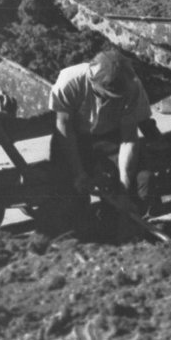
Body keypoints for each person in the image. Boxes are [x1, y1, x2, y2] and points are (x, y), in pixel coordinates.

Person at [48, 49, 152, 232]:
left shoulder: (133, 87)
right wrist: (79, 173)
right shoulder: (70, 81)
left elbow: (128, 139)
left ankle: (121, 228)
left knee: (142, 182)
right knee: (70, 191)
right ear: (94, 82)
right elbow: (64, 127)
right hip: (74, 137)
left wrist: (124, 189)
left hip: (110, 136)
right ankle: (81, 232)